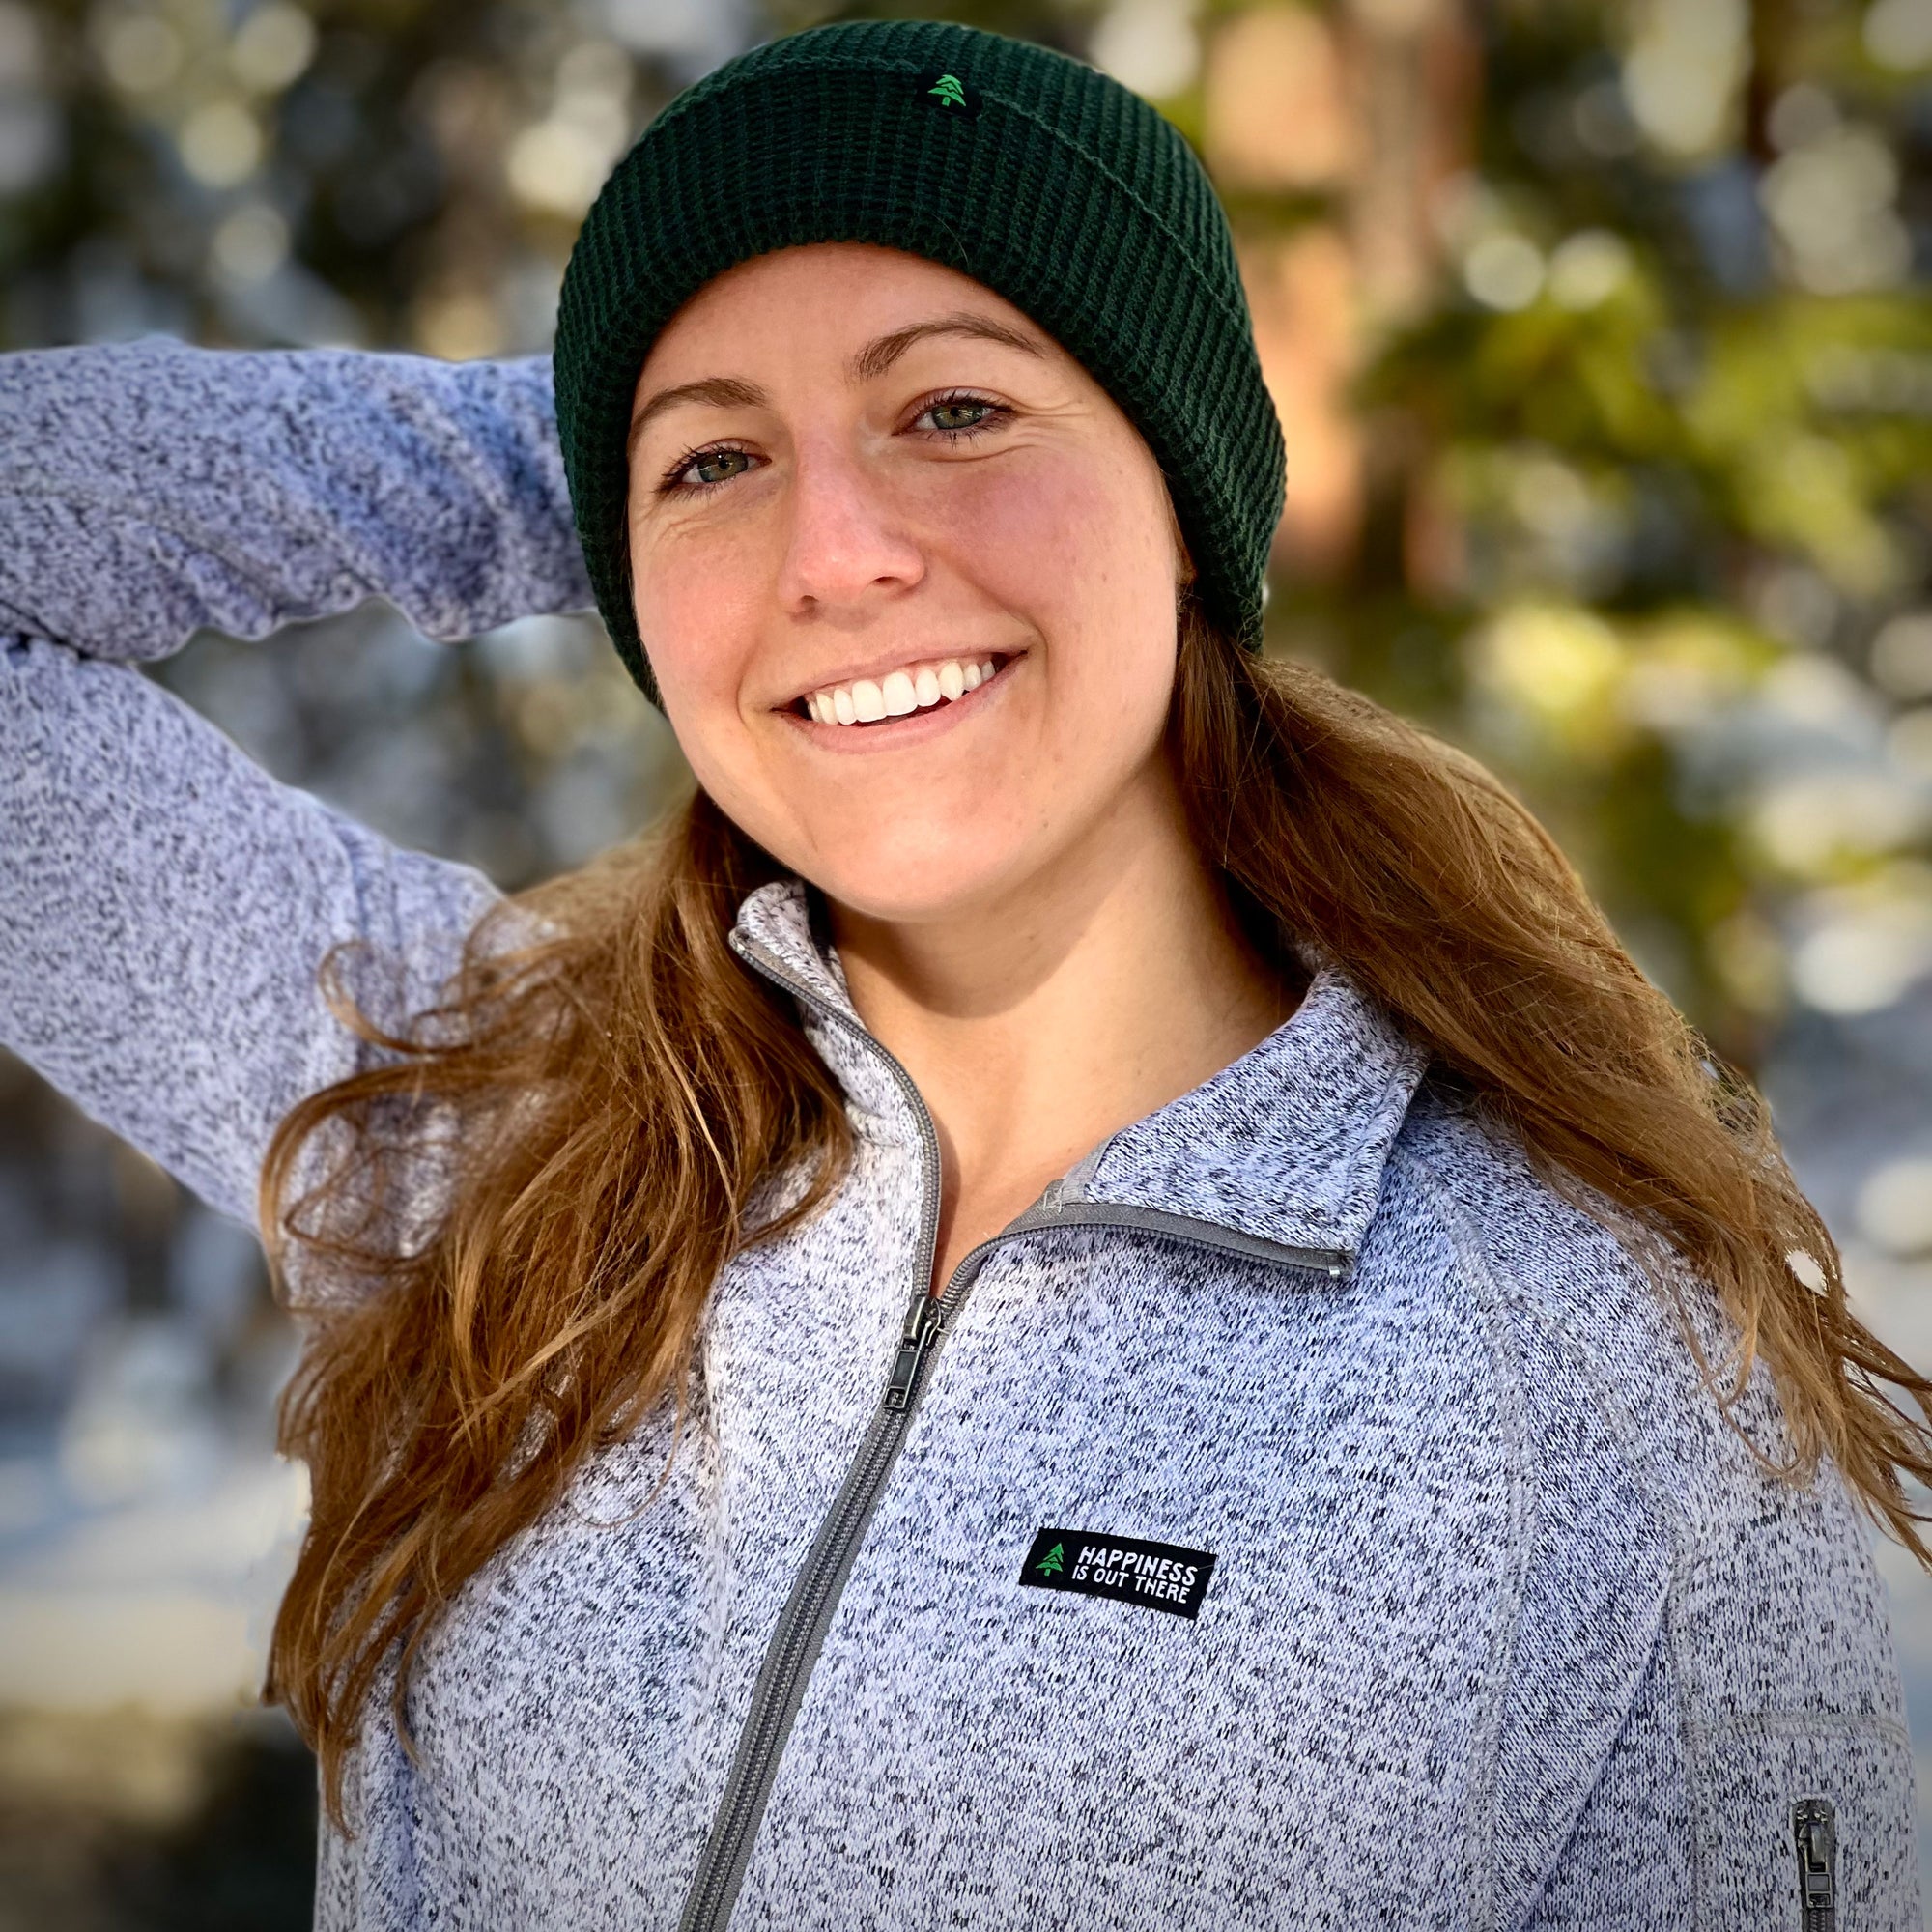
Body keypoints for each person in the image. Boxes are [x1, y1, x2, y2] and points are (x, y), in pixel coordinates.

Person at [0, 17, 1925, 1930]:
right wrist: (588, 460)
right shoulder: (496, 1141)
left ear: (1179, 488)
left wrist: (714, 450)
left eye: (953, 413)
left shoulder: (1592, 1364)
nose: (835, 552)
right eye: (721, 461)